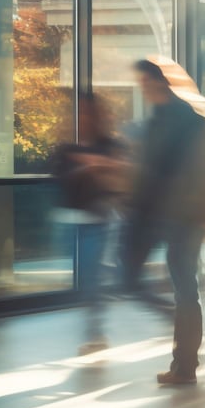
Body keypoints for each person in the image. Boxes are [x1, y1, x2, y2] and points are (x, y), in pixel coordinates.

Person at [123, 58, 205, 385]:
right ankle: (184, 357)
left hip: (185, 218)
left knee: (185, 289)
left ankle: (186, 364)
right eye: (141, 85)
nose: (144, 90)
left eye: (147, 83)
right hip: (167, 216)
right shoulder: (159, 121)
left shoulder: (190, 121)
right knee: (176, 288)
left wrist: (194, 208)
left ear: (160, 82)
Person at [51, 93, 129, 354]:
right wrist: (91, 168)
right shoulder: (67, 147)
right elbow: (60, 177)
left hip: (99, 220)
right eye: (79, 112)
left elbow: (121, 173)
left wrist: (96, 166)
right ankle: (95, 330)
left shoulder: (108, 144)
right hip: (71, 220)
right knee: (87, 280)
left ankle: (96, 333)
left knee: (93, 279)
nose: (83, 117)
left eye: (87, 112)